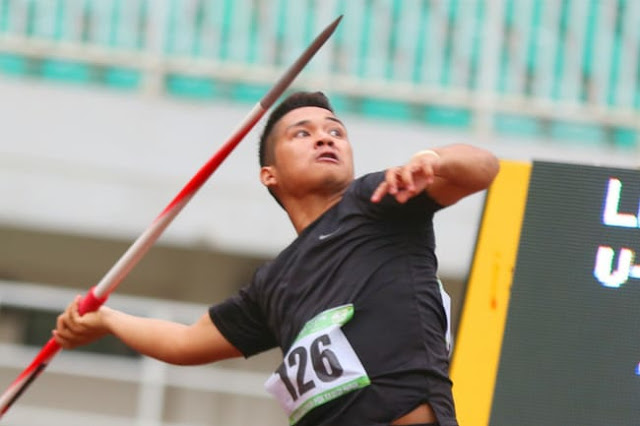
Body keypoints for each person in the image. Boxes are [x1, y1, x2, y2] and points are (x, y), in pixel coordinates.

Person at [54, 91, 499, 426]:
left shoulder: (378, 199)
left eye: (335, 131)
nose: (325, 137)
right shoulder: (272, 283)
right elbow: (185, 342)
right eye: (302, 133)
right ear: (270, 175)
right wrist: (109, 320)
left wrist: (434, 159)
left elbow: (484, 168)